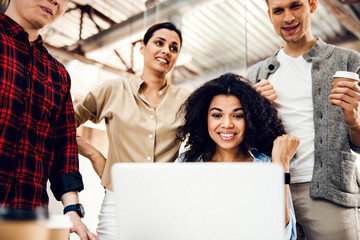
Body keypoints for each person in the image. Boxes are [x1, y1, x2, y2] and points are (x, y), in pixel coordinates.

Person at [247, 0, 360, 239]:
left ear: (312, 5)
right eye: (278, 10)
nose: (288, 18)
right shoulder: (256, 74)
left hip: (332, 193)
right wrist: (252, 113)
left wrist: (353, 120)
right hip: (273, 191)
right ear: (269, 15)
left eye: (295, 6)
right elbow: (247, 144)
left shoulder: (350, 62)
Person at [75, 22, 189, 240]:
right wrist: (94, 155)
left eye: (174, 48)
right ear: (142, 48)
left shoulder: (185, 100)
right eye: (159, 43)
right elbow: (63, 125)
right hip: (118, 202)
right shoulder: (113, 90)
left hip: (165, 205)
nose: (166, 50)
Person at [0, 0, 97, 239]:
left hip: (27, 219)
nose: (57, 1)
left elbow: (64, 148)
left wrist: (72, 210)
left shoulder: (58, 75)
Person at [176, 73, 300, 240]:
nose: (227, 124)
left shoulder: (266, 165)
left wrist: (281, 167)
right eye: (217, 115)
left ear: (249, 119)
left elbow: (284, 236)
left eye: (238, 115)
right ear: (204, 119)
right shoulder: (186, 164)